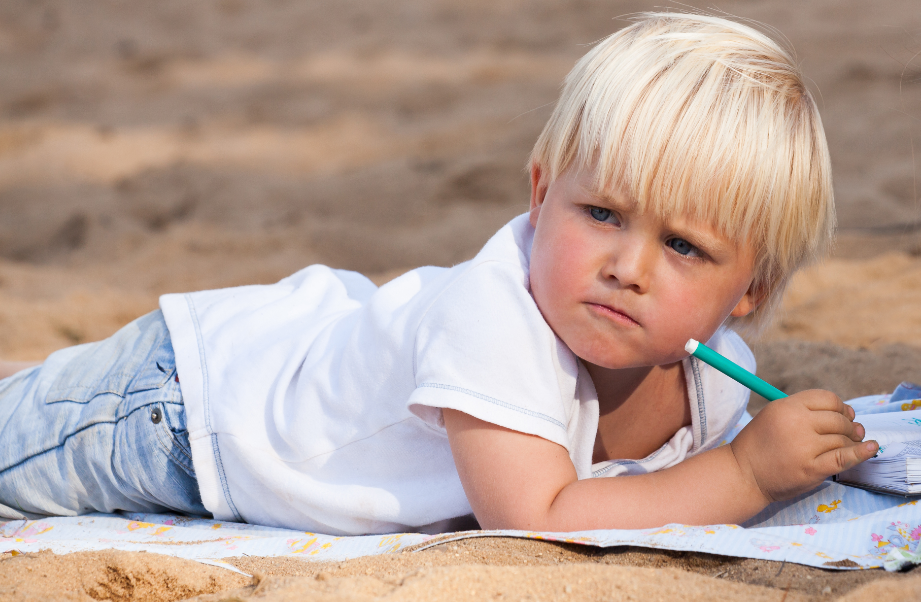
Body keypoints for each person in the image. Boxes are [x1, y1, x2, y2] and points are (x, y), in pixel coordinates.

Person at [0, 13, 877, 535]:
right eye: (601, 214)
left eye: (683, 247)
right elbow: (537, 520)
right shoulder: (494, 320)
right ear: (540, 197)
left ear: (750, 289)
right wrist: (747, 477)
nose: (626, 267)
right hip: (179, 413)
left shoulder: (719, 381)